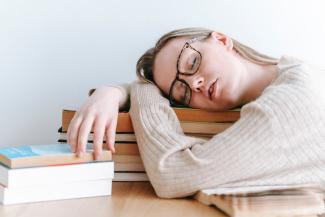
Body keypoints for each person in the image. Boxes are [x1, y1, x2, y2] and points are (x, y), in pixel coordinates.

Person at [67, 27, 325, 198]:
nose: (194, 84)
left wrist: (137, 88)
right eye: (182, 93)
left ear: (222, 40)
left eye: (191, 62)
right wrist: (114, 91)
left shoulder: (289, 101)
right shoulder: (295, 72)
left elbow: (172, 173)